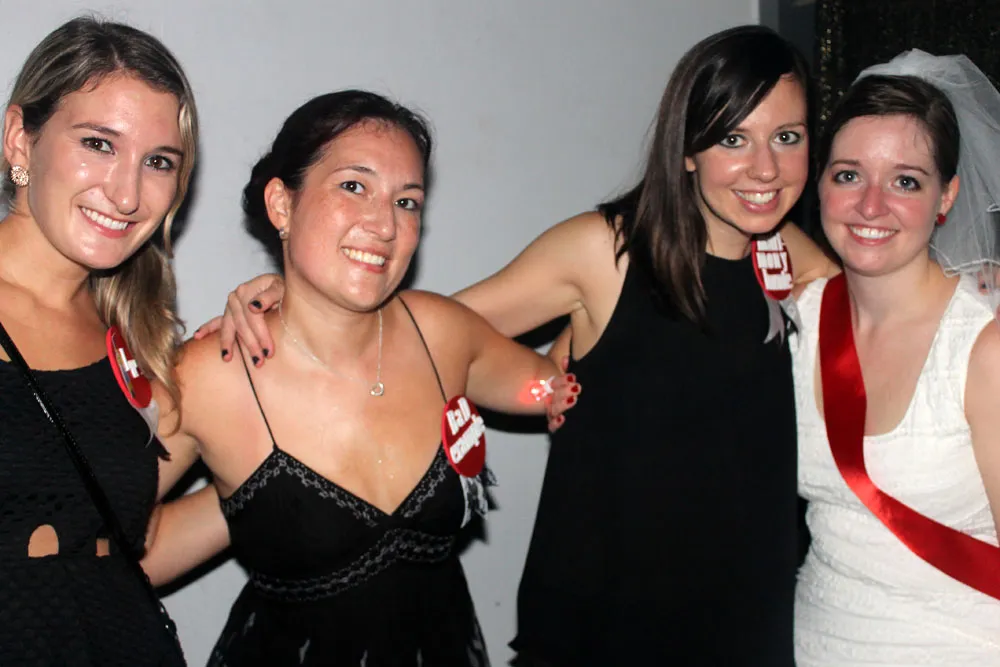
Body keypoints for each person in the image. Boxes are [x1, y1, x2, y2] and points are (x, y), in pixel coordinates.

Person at [204, 26, 832, 665]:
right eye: (734, 138)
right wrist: (292, 299)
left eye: (788, 137)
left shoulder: (792, 262)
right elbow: (413, 336)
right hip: (604, 631)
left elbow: (877, 304)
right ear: (688, 148)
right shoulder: (605, 252)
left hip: (749, 624)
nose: (765, 168)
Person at [141, 90, 568, 666]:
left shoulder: (440, 333)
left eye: (407, 202)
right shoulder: (208, 377)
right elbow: (110, 549)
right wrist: (248, 502)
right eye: (353, 186)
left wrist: (593, 291)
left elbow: (549, 388)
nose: (384, 225)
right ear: (282, 205)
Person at [0, 16, 197, 666]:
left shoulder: (135, 337)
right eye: (98, 143)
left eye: (158, 162)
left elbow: (124, 544)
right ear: (20, 139)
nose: (127, 192)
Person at [791, 51, 1000, 665]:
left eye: (905, 181)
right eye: (848, 175)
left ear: (946, 196)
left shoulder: (984, 349)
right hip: (814, 642)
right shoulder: (798, 317)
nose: (871, 205)